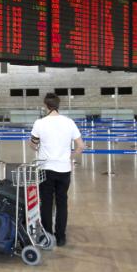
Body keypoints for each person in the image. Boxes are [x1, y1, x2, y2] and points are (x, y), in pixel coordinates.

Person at [30, 93, 84, 247]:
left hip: (46, 168)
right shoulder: (69, 122)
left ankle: (47, 236)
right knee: (62, 203)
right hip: (64, 169)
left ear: (46, 106)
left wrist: (39, 148)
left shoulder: (40, 123)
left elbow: (33, 144)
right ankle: (61, 237)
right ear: (58, 105)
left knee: (46, 203)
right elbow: (81, 146)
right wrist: (69, 157)